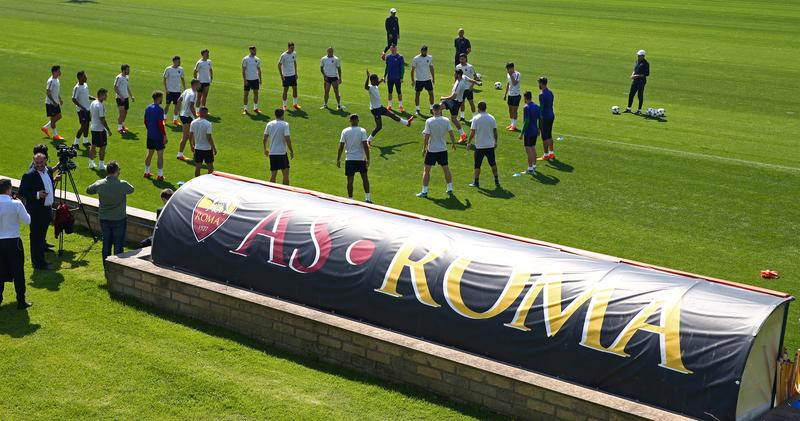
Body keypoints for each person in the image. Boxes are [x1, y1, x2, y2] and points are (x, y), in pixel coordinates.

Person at [18, 153, 60, 270]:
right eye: (37, 163)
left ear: (46, 161)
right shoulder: (29, 175)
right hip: (36, 211)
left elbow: (47, 185)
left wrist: (55, 180)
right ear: (33, 161)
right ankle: (38, 263)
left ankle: (40, 261)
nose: (39, 165)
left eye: (41, 163)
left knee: (41, 237)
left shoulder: (49, 171)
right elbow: (22, 192)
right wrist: (37, 195)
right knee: (36, 237)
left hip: (47, 209)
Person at [86, 161, 134, 261]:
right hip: (119, 219)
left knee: (106, 244)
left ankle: (106, 266)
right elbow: (131, 189)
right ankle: (117, 267)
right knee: (118, 244)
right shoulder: (122, 184)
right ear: (117, 171)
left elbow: (88, 190)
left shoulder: (100, 183)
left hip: (104, 218)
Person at [0, 178, 32, 309]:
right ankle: (21, 301)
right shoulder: (16, 204)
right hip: (13, 242)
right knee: (18, 272)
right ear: (9, 189)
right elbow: (27, 220)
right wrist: (20, 203)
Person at [416, 103, 456, 198]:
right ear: (440, 110)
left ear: (433, 110)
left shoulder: (429, 121)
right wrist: (454, 143)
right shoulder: (446, 120)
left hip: (432, 149)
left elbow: (426, 136)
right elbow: (451, 132)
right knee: (446, 169)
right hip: (443, 149)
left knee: (426, 170)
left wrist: (424, 148)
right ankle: (449, 189)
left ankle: (424, 191)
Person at [364, 70, 413, 144]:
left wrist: (382, 80)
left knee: (392, 115)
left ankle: (407, 123)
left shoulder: (375, 85)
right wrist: (367, 77)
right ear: (372, 80)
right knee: (379, 127)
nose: (377, 80)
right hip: (375, 110)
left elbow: (377, 83)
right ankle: (368, 140)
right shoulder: (370, 87)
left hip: (380, 107)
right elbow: (365, 87)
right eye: (376, 79)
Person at [336, 114, 371, 202]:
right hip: (360, 159)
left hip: (349, 159)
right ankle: (368, 198)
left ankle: (350, 199)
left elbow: (341, 146)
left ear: (350, 121)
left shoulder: (345, 131)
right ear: (358, 120)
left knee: (350, 180)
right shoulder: (362, 131)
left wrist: (338, 159)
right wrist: (368, 158)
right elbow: (365, 145)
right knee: (365, 178)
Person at [441, 69, 481, 143]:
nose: (454, 74)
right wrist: (477, 83)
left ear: (458, 75)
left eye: (455, 73)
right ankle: (439, 123)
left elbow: (453, 96)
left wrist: (443, 98)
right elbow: (471, 80)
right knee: (439, 107)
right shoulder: (463, 77)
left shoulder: (460, 83)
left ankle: (463, 135)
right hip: (452, 101)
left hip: (455, 102)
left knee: (454, 119)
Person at [466, 101, 500, 188]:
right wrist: (495, 141)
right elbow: (495, 131)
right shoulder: (492, 118)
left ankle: (476, 182)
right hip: (490, 145)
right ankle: (496, 180)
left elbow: (472, 132)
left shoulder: (476, 118)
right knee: (493, 163)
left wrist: (469, 142)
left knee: (477, 164)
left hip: (480, 146)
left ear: (479, 108)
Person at [263, 108, 294, 185]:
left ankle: (270, 191)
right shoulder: (285, 124)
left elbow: (265, 138)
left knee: (273, 175)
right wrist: (291, 150)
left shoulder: (269, 124)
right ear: (283, 115)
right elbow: (287, 138)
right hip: (282, 153)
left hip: (272, 153)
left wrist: (265, 149)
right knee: (286, 175)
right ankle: (286, 193)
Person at [144, 91, 168, 181]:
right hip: (158, 136)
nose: (162, 99)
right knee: (160, 155)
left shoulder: (148, 108)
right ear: (158, 98)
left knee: (150, 153)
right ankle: (160, 175)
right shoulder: (160, 110)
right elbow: (160, 124)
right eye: (161, 97)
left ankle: (146, 172)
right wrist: (164, 135)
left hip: (150, 135)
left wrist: (150, 129)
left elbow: (145, 121)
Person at [88, 88, 113, 170]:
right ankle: (101, 165)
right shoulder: (100, 105)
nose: (106, 96)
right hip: (99, 130)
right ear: (101, 95)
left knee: (93, 145)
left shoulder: (93, 103)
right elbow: (102, 119)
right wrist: (108, 130)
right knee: (103, 147)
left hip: (93, 128)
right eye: (105, 95)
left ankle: (91, 163)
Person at [176, 79, 200, 161]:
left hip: (183, 115)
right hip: (187, 116)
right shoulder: (193, 94)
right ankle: (180, 154)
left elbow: (179, 100)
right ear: (195, 84)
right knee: (186, 136)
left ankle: (194, 152)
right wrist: (196, 118)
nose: (200, 86)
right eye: (199, 84)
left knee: (191, 134)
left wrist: (179, 111)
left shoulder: (187, 90)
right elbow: (191, 106)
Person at [189, 107, 216, 177]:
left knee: (198, 167)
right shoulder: (208, 124)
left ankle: (197, 182)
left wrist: (191, 145)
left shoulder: (193, 122)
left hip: (197, 148)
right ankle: (209, 181)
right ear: (205, 113)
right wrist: (214, 148)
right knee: (210, 167)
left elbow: (190, 135)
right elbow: (209, 137)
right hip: (207, 148)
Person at [518, 91, 541, 173]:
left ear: (525, 97)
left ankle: (530, 168)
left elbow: (526, 121)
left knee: (529, 150)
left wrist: (521, 133)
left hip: (529, 132)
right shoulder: (536, 106)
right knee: (533, 147)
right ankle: (534, 166)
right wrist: (539, 129)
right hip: (535, 130)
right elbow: (540, 119)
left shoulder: (526, 107)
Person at [71, 70, 93, 148]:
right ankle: (75, 143)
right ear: (80, 78)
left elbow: (86, 95)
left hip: (87, 109)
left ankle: (85, 141)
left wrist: (93, 98)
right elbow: (73, 99)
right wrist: (82, 107)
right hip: (81, 110)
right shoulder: (77, 88)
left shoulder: (85, 85)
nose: (86, 77)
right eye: (84, 76)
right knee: (83, 126)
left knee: (87, 125)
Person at [42, 65, 64, 141]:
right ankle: (55, 135)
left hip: (55, 102)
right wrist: (53, 102)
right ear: (54, 72)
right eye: (59, 71)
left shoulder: (57, 80)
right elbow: (48, 92)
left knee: (59, 116)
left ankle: (45, 127)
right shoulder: (51, 81)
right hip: (50, 104)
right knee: (53, 118)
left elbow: (56, 92)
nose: (60, 72)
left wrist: (60, 99)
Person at [412, 45, 435, 115]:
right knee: (417, 94)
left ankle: (431, 108)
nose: (423, 52)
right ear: (421, 51)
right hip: (419, 80)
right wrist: (413, 80)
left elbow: (431, 68)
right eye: (422, 51)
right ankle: (417, 109)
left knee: (431, 94)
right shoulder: (416, 58)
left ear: (426, 51)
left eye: (425, 51)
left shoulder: (430, 57)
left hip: (427, 79)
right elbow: (412, 70)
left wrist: (433, 78)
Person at [625, 49, 650, 114]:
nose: (638, 56)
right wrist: (632, 74)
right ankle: (628, 109)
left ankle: (639, 110)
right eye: (638, 55)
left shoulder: (646, 64)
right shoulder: (637, 61)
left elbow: (647, 74)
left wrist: (636, 76)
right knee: (631, 94)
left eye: (639, 55)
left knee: (640, 95)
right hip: (635, 80)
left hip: (641, 82)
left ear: (643, 56)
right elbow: (635, 69)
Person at [163, 56, 185, 125]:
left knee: (177, 106)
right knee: (167, 105)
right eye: (178, 61)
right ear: (174, 61)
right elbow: (164, 79)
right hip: (170, 91)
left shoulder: (181, 69)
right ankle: (164, 119)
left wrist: (184, 89)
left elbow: (182, 79)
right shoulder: (168, 69)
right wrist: (166, 89)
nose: (179, 62)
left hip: (177, 91)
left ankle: (175, 120)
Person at [278, 42, 301, 110]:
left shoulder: (294, 53)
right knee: (285, 90)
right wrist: (281, 75)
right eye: (291, 48)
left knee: (295, 89)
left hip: (293, 75)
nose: (293, 49)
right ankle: (284, 105)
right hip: (286, 76)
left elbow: (294, 62)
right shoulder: (283, 55)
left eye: (293, 48)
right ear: (288, 47)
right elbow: (279, 65)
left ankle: (295, 104)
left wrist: (296, 73)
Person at [455, 54, 478, 121]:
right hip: (461, 88)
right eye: (460, 59)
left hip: (468, 88)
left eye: (463, 59)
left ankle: (474, 117)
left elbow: (475, 77)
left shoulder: (470, 67)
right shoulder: (458, 66)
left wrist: (472, 86)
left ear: (466, 59)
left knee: (471, 102)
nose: (461, 60)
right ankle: (462, 116)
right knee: (461, 102)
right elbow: (456, 77)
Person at [383, 45, 405, 112]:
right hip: (390, 78)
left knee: (399, 92)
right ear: (390, 49)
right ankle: (389, 105)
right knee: (390, 92)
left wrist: (401, 77)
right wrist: (384, 76)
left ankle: (400, 106)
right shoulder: (388, 57)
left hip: (397, 78)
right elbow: (387, 67)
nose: (393, 50)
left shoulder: (400, 57)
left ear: (396, 49)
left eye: (394, 49)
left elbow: (402, 68)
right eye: (392, 49)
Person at [539, 77, 556, 160]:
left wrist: (539, 118)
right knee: (549, 134)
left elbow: (541, 108)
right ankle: (551, 153)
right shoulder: (550, 92)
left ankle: (545, 155)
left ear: (542, 83)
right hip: (551, 115)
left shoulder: (541, 94)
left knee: (544, 136)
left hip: (545, 117)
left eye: (539, 83)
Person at [114, 64, 134, 134]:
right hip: (120, 98)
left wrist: (131, 96)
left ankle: (122, 125)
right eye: (128, 70)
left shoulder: (127, 77)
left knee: (125, 112)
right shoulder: (119, 78)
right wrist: (121, 96)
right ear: (124, 70)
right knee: (122, 113)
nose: (129, 71)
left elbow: (127, 87)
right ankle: (119, 128)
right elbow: (115, 88)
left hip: (126, 98)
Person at [242, 46, 262, 114]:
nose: (255, 51)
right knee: (246, 94)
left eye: (256, 50)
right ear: (250, 50)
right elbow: (243, 70)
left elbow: (259, 69)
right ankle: (245, 109)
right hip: (248, 80)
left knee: (256, 93)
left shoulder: (257, 59)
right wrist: (245, 80)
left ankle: (255, 108)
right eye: (254, 50)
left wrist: (260, 79)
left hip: (255, 79)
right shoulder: (245, 59)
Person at [503, 62, 521, 131]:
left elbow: (515, 83)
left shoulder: (517, 74)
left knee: (514, 111)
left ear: (512, 68)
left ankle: (514, 126)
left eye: (508, 69)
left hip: (516, 95)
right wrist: (505, 94)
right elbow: (508, 84)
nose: (507, 70)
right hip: (510, 95)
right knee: (510, 110)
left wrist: (511, 75)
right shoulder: (508, 74)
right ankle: (512, 124)